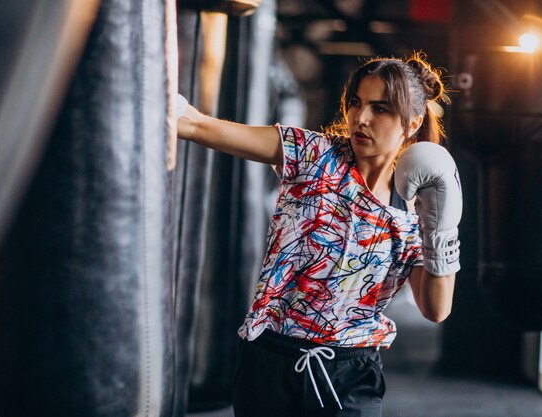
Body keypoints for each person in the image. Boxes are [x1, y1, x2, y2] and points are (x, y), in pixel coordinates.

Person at [176, 53, 461, 417]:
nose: (361, 118)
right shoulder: (313, 155)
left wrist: (441, 229)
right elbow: (201, 127)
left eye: (381, 108)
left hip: (349, 373)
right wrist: (163, 99)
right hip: (270, 358)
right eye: (356, 103)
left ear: (412, 123)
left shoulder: (415, 210)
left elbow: (436, 309)